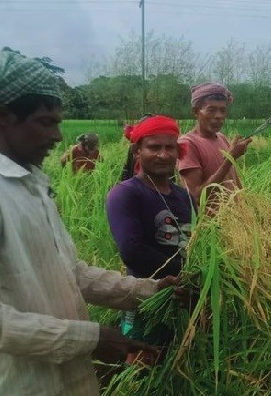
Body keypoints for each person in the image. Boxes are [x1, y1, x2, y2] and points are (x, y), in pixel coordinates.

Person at [0, 49, 181, 395]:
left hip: (69, 380)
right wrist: (90, 338)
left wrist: (150, 290)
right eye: (46, 122)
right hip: (23, 385)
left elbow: (72, 274)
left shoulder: (33, 188)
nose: (57, 137)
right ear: (5, 117)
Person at [106, 115, 194, 366]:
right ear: (138, 151)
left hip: (183, 301)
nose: (163, 154)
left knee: (178, 367)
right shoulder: (126, 194)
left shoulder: (183, 196)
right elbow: (132, 251)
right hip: (146, 302)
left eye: (170, 147)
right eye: (154, 147)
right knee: (142, 367)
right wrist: (186, 274)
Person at [177, 82, 251, 207]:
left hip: (236, 222)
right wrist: (229, 159)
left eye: (223, 110)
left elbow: (233, 182)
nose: (219, 116)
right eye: (211, 110)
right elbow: (195, 197)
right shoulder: (188, 144)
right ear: (196, 111)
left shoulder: (221, 137)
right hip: (210, 225)